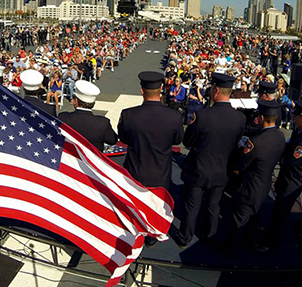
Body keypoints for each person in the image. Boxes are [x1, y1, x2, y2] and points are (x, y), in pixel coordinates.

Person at [172, 73, 246, 247]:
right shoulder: (240, 118)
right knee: (214, 205)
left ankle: (185, 236)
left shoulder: (203, 116)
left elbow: (188, 141)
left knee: (192, 206)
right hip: (222, 170)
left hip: (199, 168)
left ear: (216, 90)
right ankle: (210, 234)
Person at [118, 71, 183, 246]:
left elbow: (123, 138)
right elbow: (177, 140)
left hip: (135, 168)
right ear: (161, 89)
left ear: (142, 90)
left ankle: (134, 232)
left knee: (134, 204)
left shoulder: (128, 115)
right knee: (156, 206)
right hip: (160, 170)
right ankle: (152, 236)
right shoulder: (174, 117)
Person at [258, 100, 302, 252]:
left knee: (281, 214)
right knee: (277, 210)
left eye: (297, 116)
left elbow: (288, 162)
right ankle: (270, 234)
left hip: (291, 183)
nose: (294, 118)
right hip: (286, 180)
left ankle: (271, 243)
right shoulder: (300, 132)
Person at [227, 100, 286, 250]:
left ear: (261, 118)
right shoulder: (280, 137)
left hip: (248, 187)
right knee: (254, 218)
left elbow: (240, 164)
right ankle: (249, 243)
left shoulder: (255, 142)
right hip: (264, 185)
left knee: (238, 221)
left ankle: (232, 250)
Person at [58, 80, 117, 152]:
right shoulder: (103, 123)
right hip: (92, 161)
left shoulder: (63, 117)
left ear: (76, 101)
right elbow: (113, 140)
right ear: (93, 103)